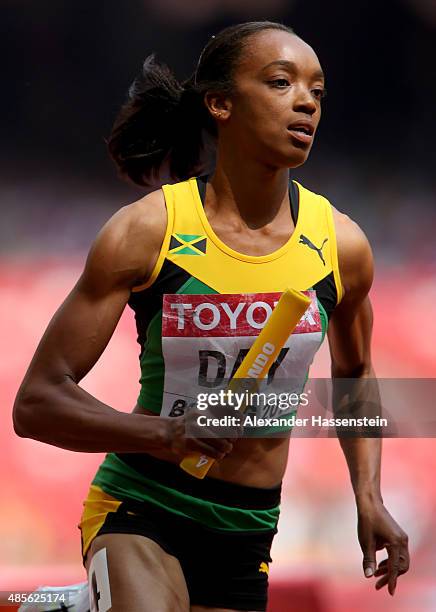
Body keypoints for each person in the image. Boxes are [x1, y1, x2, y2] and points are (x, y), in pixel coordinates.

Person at [14, 20, 410, 612]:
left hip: (247, 530)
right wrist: (165, 433)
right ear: (220, 103)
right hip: (144, 506)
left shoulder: (341, 246)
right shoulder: (148, 231)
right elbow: (37, 402)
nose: (305, 102)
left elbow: (354, 378)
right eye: (280, 82)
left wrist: (369, 496)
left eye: (317, 92)